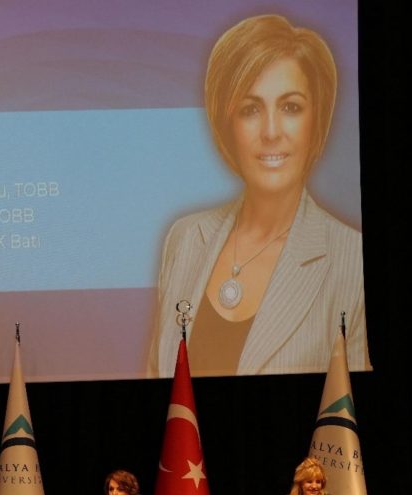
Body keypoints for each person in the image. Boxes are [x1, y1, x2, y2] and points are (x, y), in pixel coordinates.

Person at [149, 13, 367, 377]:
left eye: (290, 107)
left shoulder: (353, 262)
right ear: (228, 124)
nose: (271, 131)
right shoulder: (184, 239)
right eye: (250, 109)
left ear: (316, 120)